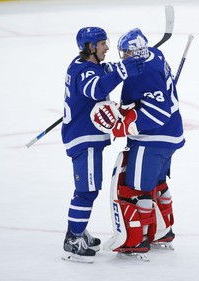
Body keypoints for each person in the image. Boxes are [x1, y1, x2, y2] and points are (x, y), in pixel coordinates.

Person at [95, 28, 185, 259]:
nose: (123, 56)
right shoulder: (155, 54)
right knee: (158, 183)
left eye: (126, 53)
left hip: (152, 140)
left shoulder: (146, 75)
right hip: (171, 136)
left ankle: (138, 240)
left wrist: (125, 126)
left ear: (136, 53)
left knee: (136, 189)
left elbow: (159, 113)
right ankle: (163, 232)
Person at [60, 26, 145, 263]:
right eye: (102, 43)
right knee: (86, 191)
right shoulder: (85, 72)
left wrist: (126, 66)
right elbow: (98, 87)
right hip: (83, 139)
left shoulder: (88, 66)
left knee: (89, 189)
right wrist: (122, 72)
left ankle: (79, 231)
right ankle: (73, 237)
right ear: (90, 47)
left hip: (86, 137)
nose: (107, 47)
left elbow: (107, 73)